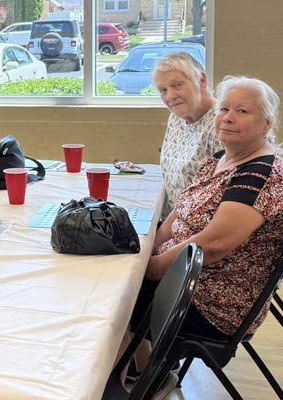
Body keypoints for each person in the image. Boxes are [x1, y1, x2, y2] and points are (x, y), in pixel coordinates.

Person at [127, 76, 283, 398]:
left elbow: (212, 246)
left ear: (266, 123)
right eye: (224, 108)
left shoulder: (263, 173)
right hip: (184, 279)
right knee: (117, 279)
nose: (227, 117)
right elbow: (178, 213)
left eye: (242, 111)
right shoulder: (218, 160)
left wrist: (152, 268)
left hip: (212, 301)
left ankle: (136, 382)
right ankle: (144, 373)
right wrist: (147, 252)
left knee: (117, 300)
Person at [152, 52, 221, 218]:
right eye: (163, 90)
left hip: (200, 231)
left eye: (177, 85)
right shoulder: (176, 118)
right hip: (174, 223)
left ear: (201, 80)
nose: (170, 96)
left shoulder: (223, 123)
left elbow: (221, 199)